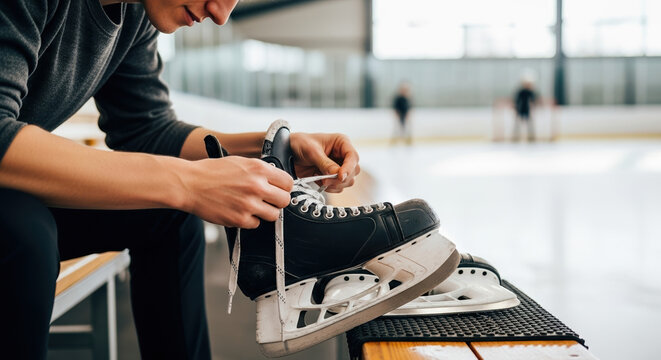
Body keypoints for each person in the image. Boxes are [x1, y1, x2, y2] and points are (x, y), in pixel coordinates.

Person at [0, 1, 360, 359]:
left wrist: (269, 150)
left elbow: (146, 128)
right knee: (25, 232)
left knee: (171, 215)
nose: (221, 14)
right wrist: (188, 183)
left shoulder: (134, 13)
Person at [512, 77, 538, 142]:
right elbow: (517, 100)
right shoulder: (521, 91)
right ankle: (516, 137)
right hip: (520, 109)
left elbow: (533, 100)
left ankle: (531, 137)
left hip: (527, 110)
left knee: (529, 124)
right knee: (518, 124)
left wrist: (534, 105)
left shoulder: (530, 91)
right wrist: (516, 108)